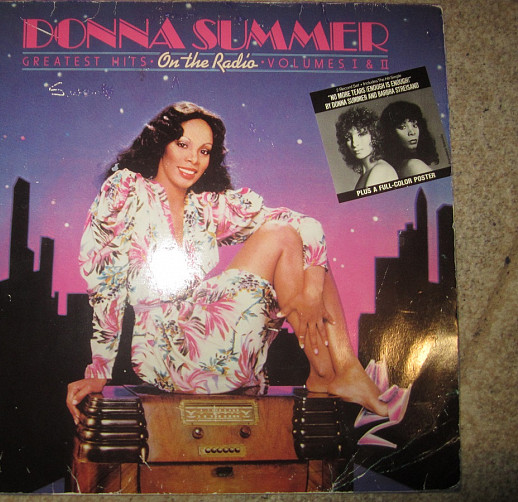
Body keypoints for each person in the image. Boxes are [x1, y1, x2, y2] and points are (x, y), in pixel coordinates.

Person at [67, 102, 407, 430]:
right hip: (166, 354)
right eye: (183, 144)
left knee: (301, 244)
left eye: (204, 151)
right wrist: (99, 372)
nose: (193, 159)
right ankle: (329, 373)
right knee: (283, 236)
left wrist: (313, 288)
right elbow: (107, 283)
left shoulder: (206, 208)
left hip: (218, 343)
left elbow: (305, 225)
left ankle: (340, 370)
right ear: (161, 144)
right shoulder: (128, 190)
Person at [335, 106, 398, 190]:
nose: (355, 144)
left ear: (375, 135)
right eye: (349, 138)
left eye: (361, 134)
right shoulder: (367, 173)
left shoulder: (381, 170)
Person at [379, 101, 439, 178]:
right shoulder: (414, 165)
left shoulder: (397, 168)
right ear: (390, 133)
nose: (412, 132)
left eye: (414, 125)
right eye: (402, 127)